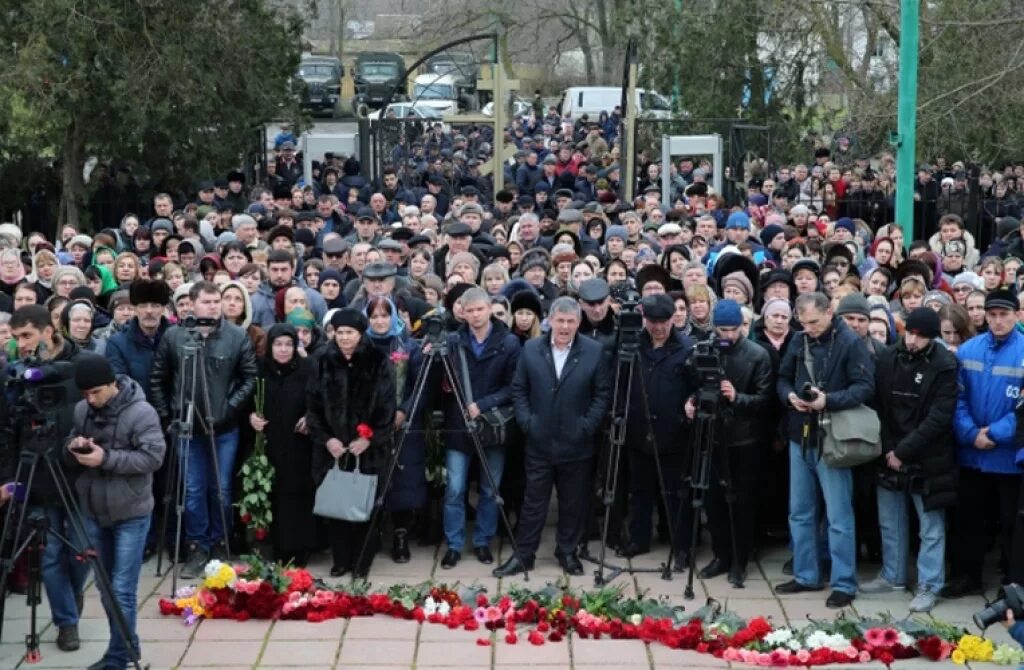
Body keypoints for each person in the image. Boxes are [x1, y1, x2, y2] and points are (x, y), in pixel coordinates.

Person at [494, 297, 612, 577]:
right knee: (533, 502)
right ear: (550, 321)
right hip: (539, 440)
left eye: (571, 321)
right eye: (560, 320)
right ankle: (524, 554)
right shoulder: (532, 349)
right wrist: (527, 422)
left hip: (577, 443)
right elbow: (519, 389)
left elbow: (602, 395)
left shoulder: (594, 351)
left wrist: (586, 426)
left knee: (572, 502)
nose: (565, 326)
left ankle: (567, 552)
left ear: (579, 323)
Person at [149, 281, 258, 577]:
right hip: (186, 428)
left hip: (223, 429)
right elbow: (158, 379)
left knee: (220, 489)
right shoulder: (174, 336)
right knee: (194, 490)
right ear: (192, 304)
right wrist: (166, 416)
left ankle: (221, 542)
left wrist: (227, 409)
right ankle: (198, 545)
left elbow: (249, 378)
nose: (213, 306)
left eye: (216, 301)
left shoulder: (236, 337)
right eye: (206, 302)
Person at [776, 291, 875, 609]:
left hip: (833, 437)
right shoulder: (799, 338)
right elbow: (782, 379)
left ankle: (844, 582)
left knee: (838, 515)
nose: (809, 329)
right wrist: (790, 396)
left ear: (830, 312)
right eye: (803, 324)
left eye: (814, 322)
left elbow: (864, 388)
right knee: (799, 511)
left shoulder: (850, 342)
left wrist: (827, 400)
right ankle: (806, 575)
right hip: (799, 433)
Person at [67, 355, 165, 670]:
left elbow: (152, 458)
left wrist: (105, 458)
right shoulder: (82, 410)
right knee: (106, 587)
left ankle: (118, 657)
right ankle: (126, 645)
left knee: (121, 588)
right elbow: (70, 442)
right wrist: (74, 445)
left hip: (131, 512)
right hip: (94, 509)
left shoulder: (141, 412)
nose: (90, 400)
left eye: (96, 392)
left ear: (113, 383)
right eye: (85, 394)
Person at [3, 305, 88, 652]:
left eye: (27, 336)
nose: (21, 344)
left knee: (81, 551)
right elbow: (9, 429)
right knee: (50, 554)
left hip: (76, 470)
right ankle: (67, 622)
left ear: (47, 331)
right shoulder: (16, 373)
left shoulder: (79, 363)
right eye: (16, 338)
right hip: (37, 472)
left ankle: (72, 594)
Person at [862, 308, 957, 613]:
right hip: (890, 453)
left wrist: (903, 452)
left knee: (930, 527)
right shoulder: (889, 357)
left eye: (920, 335)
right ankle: (893, 575)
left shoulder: (944, 365)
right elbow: (878, 405)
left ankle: (930, 584)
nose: (913, 340)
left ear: (931, 338)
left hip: (929, 457)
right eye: (910, 333)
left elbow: (939, 418)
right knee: (890, 522)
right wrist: (890, 450)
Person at [686, 299, 774, 587]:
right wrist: (692, 400)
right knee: (713, 503)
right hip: (711, 435)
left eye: (733, 329)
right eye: (722, 330)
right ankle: (721, 555)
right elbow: (694, 384)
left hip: (743, 440)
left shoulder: (757, 355)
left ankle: (740, 560)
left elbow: (765, 401)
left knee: (742, 503)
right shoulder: (705, 349)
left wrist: (737, 397)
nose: (728, 336)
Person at [945, 289, 1024, 597]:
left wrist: (992, 434)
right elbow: (956, 398)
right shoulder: (968, 350)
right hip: (972, 454)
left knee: (1010, 524)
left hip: (1008, 456)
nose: (997, 321)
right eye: (992, 315)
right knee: (970, 520)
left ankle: (1011, 582)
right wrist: (969, 433)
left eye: (1004, 315)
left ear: (1016, 316)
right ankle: (968, 576)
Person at [307, 309, 396, 577]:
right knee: (336, 506)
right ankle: (341, 558)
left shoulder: (378, 361)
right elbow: (312, 407)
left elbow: (387, 409)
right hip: (332, 450)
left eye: (350, 333)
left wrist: (369, 439)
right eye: (340, 332)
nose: (344, 338)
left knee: (366, 505)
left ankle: (362, 560)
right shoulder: (321, 360)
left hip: (367, 450)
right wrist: (327, 439)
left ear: (361, 333)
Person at [440, 288, 521, 568]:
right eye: (469, 310)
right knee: (454, 488)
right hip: (458, 426)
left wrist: (484, 404)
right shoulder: (452, 341)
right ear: (462, 312)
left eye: (479, 309)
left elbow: (514, 386)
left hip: (491, 427)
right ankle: (453, 543)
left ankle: (483, 541)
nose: (475, 315)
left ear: (489, 309)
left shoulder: (508, 343)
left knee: (490, 488)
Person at [617, 294, 694, 563]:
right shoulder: (633, 345)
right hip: (639, 430)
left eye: (663, 322)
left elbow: (694, 387)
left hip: (674, 432)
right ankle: (639, 539)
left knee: (674, 493)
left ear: (673, 319)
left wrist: (690, 404)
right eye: (653, 322)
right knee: (640, 491)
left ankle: (681, 545)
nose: (659, 327)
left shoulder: (687, 348)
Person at [248, 324, 317, 566]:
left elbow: (318, 399)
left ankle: (301, 546)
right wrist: (252, 417)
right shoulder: (260, 370)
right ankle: (278, 546)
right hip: (271, 442)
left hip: (300, 443)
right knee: (275, 493)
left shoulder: (308, 368)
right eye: (278, 344)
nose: (284, 350)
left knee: (298, 495)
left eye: (289, 344)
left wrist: (310, 416)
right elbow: (249, 400)